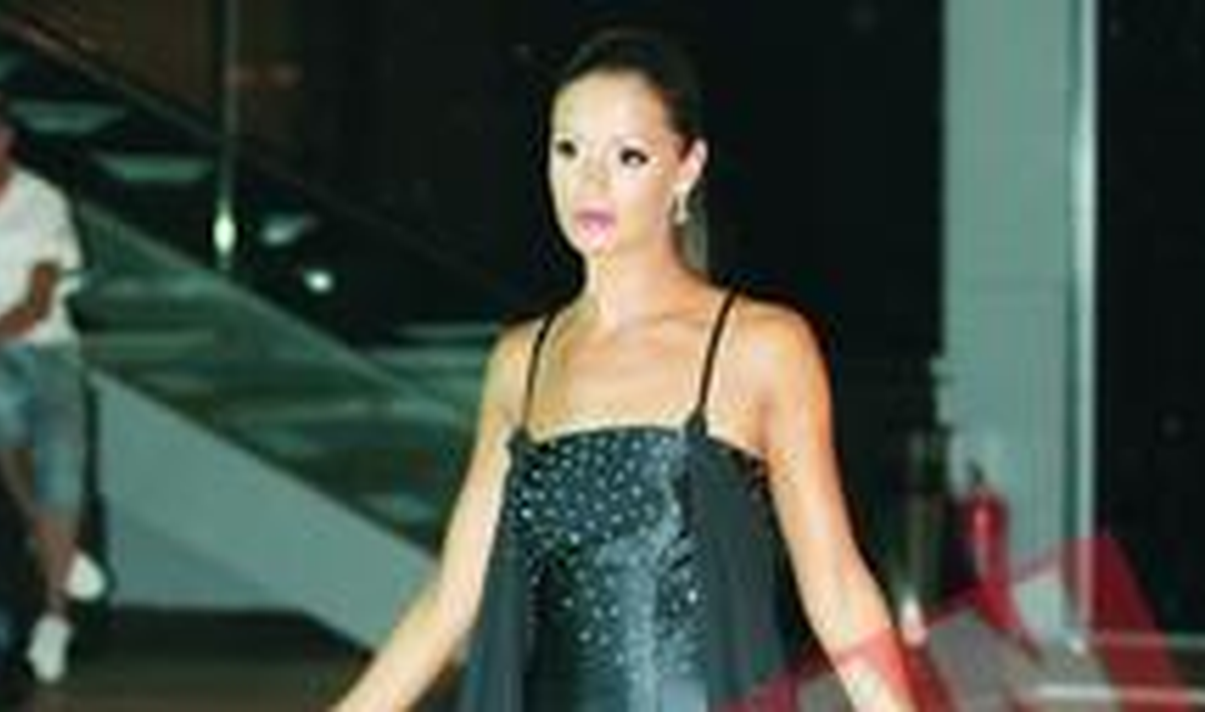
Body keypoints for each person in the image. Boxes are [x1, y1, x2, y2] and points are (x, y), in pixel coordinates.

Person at [332, 27, 917, 711]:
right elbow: (451, 598)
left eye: (628, 156)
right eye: (568, 149)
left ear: (686, 168)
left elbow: (837, 588)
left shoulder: (760, 346)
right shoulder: (522, 362)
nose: (591, 182)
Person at [0, 87, 106, 685]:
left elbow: (39, 302)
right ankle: (45, 530)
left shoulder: (43, 201)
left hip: (42, 343)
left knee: (64, 459)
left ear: (10, 137)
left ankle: (55, 620)